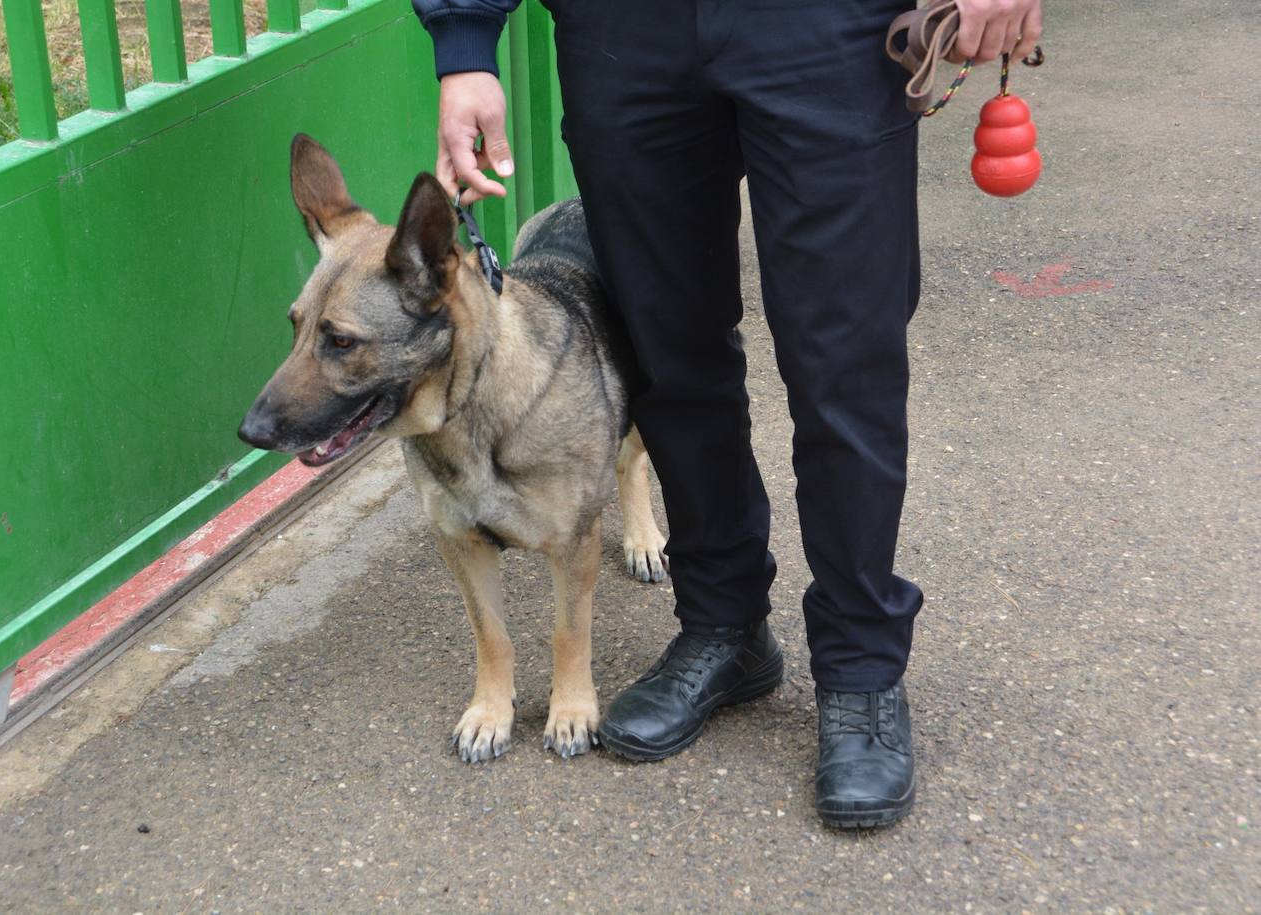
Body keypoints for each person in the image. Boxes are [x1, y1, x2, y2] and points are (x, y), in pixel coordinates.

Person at [410, 0, 1042, 827]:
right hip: (625, 32)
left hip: (825, 27)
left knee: (845, 361)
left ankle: (859, 665)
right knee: (667, 348)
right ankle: (723, 624)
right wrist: (466, 44)